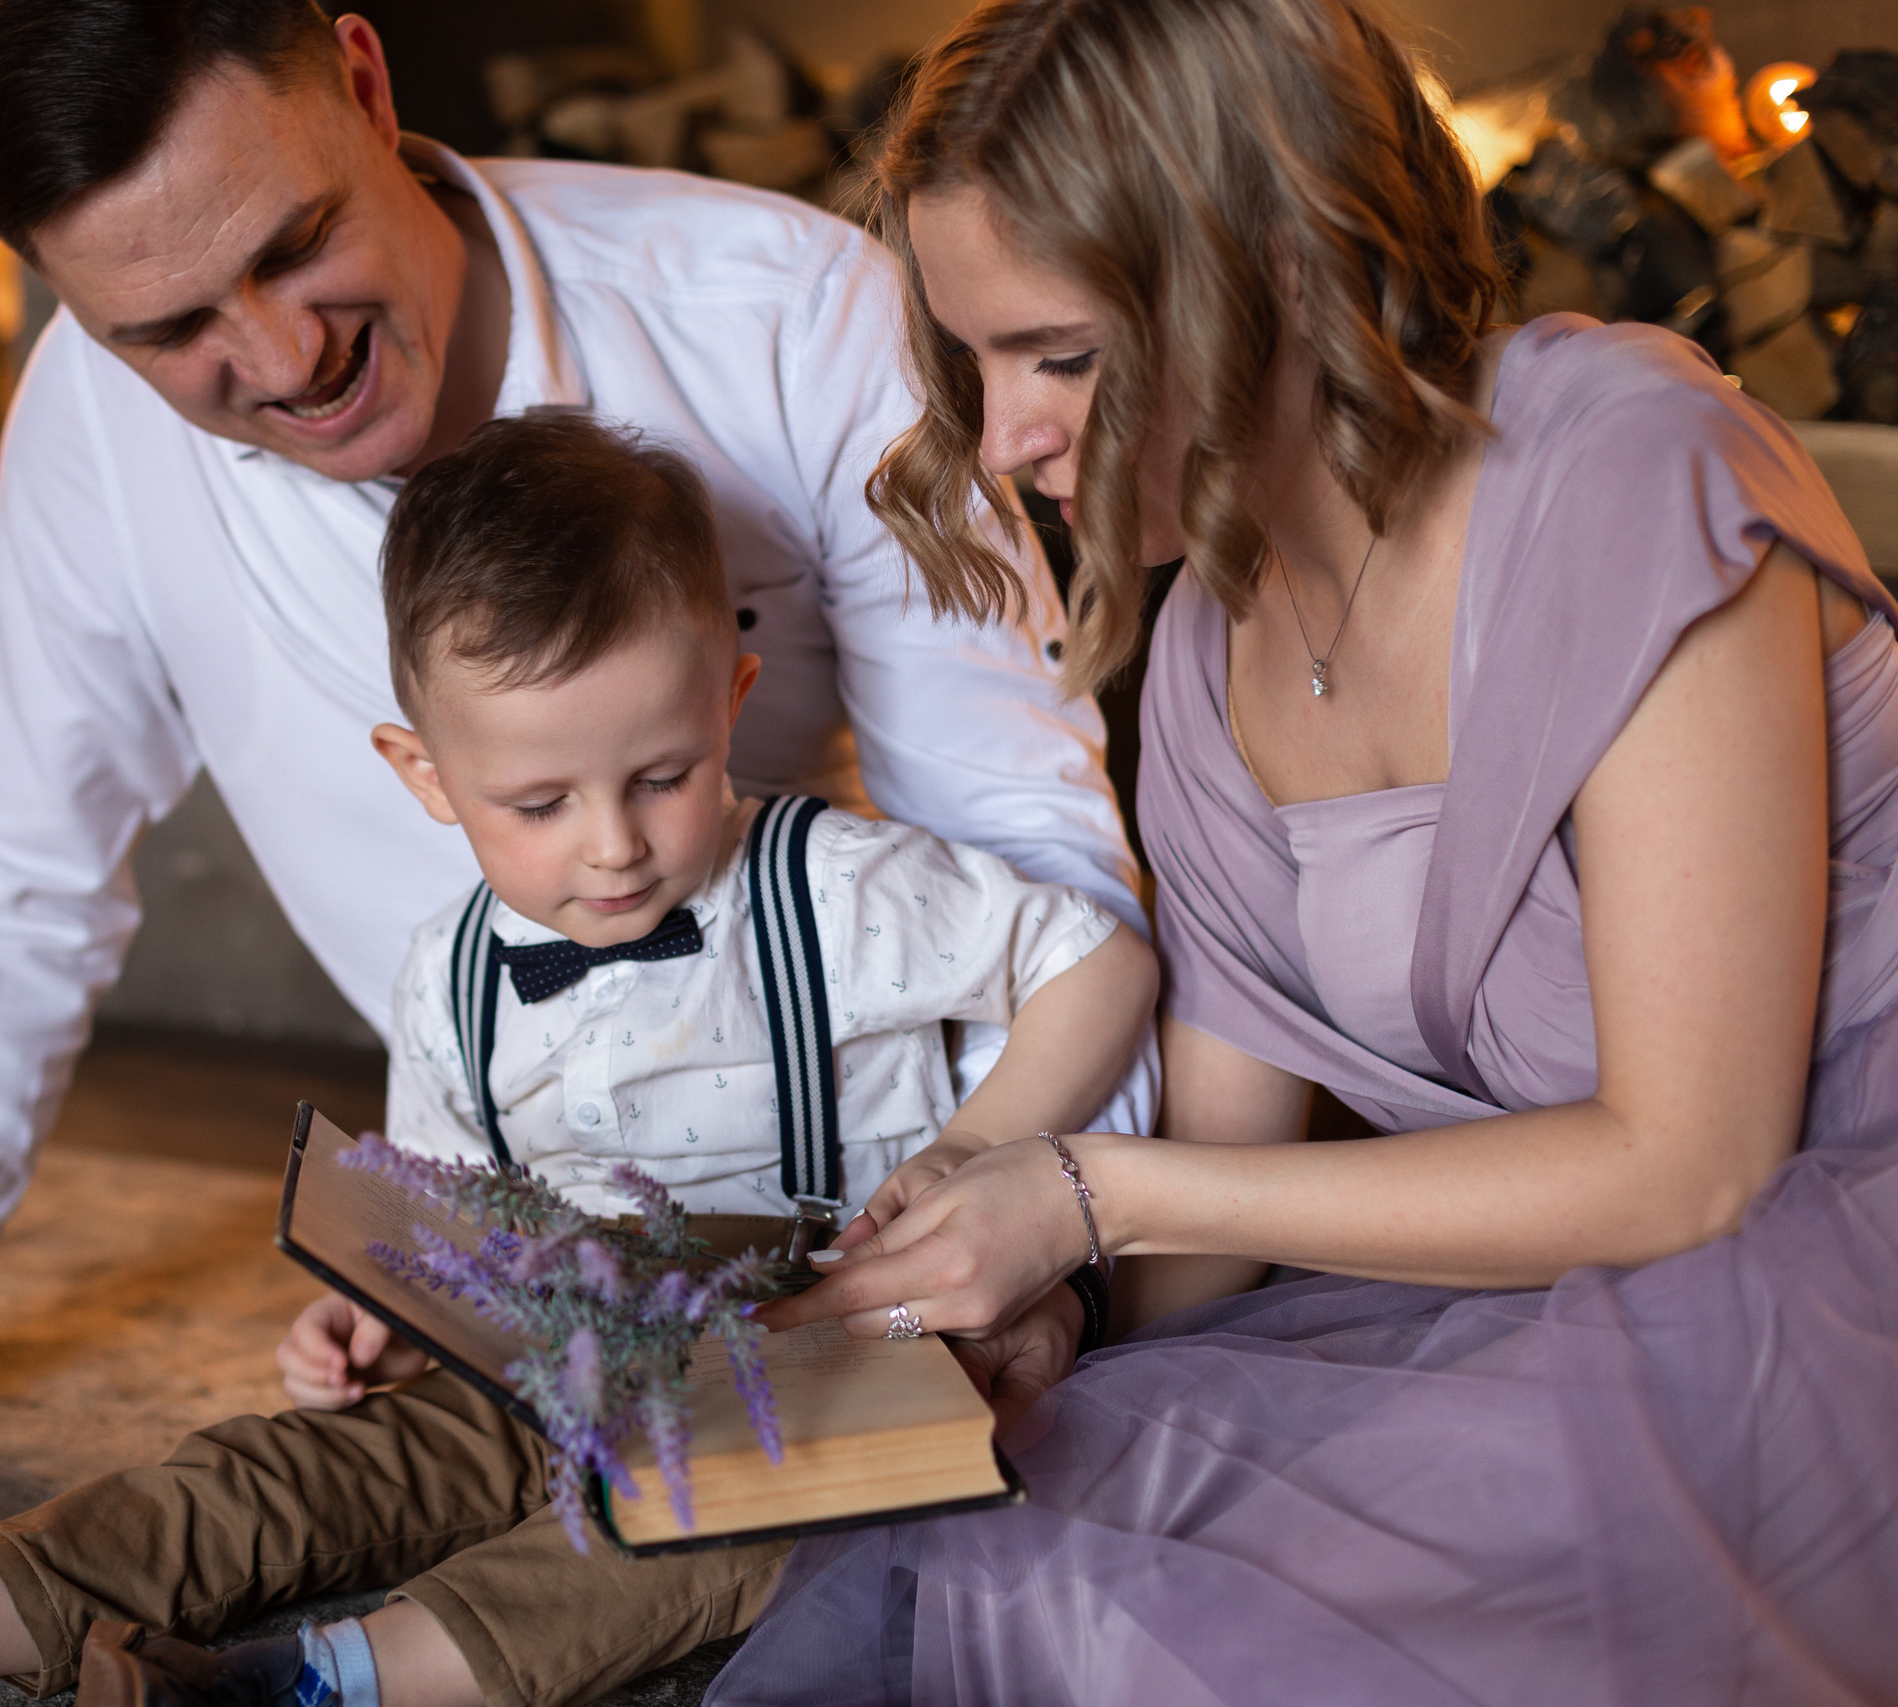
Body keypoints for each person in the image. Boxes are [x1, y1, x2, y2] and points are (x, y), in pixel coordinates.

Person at [0, 0, 1153, 1493]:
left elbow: (1031, 849)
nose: (284, 362)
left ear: (359, 74)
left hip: (877, 1176)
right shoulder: (88, 424)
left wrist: (1044, 1265)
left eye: (296, 245)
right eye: (170, 328)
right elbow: (12, 880)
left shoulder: (784, 316)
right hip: (524, 1240)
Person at [0, 411, 1159, 1707]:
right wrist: (391, 1304)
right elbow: (454, 1204)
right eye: (539, 802)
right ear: (424, 774)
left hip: (824, 1361)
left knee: (680, 1535)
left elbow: (1098, 960)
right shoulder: (448, 978)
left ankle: (310, 1681)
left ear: (734, 694)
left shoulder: (838, 887)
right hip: (559, 1349)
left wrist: (980, 1158)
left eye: (663, 774)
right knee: (294, 1470)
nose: (613, 848)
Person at [709, 0, 1898, 1702]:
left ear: (1266, 268)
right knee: (1057, 1505)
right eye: (971, 362)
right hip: (1608, 1296)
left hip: (1829, 1253)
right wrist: (1052, 1314)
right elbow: (1215, 1237)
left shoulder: (1625, 465)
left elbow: (1688, 1169)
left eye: (1059, 354)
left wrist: (1084, 1194)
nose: (1002, 440)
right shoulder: (1211, 656)